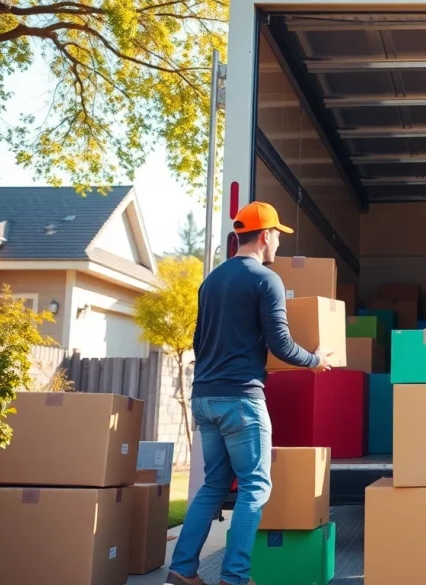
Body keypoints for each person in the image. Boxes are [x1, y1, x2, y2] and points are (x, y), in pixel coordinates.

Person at [167, 201, 335, 585]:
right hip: (241, 400)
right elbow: (280, 344)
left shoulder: (211, 281)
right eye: (277, 235)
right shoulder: (265, 279)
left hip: (204, 397)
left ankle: (182, 570)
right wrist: (315, 360)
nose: (278, 242)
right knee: (255, 486)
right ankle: (235, 577)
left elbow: (198, 341)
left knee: (213, 486)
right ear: (265, 236)